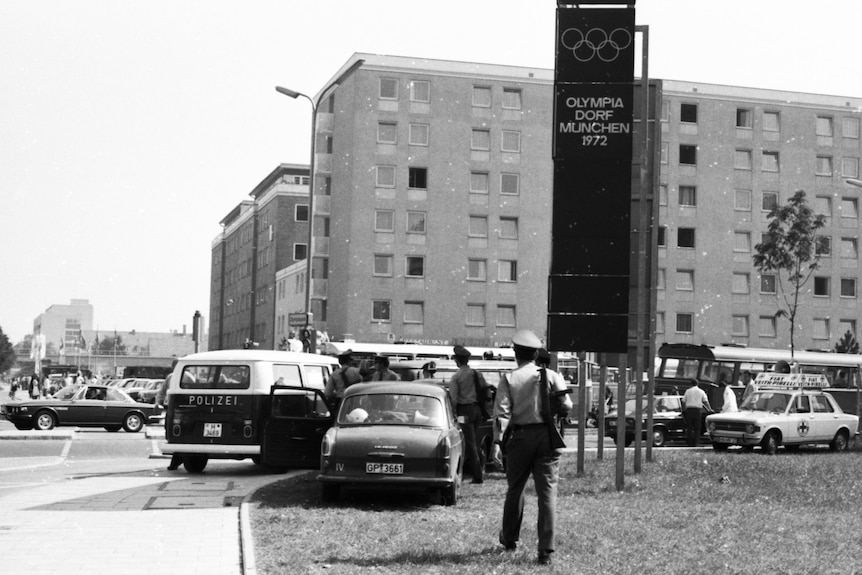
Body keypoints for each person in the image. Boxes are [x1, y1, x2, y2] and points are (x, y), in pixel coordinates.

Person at [494, 330, 572, 566]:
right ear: (537, 353)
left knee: (515, 489)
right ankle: (545, 550)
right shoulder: (551, 375)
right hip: (547, 437)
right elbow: (567, 404)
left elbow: (502, 414)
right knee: (547, 494)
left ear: (516, 354)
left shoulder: (509, 379)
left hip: (519, 438)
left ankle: (509, 540)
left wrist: (497, 443)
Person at [448, 345, 488, 484]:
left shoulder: (456, 377)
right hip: (477, 410)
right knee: (473, 441)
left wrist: (452, 413)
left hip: (464, 412)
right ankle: (476, 469)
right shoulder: (477, 374)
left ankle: (477, 475)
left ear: (457, 361)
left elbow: (453, 398)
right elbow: (485, 390)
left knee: (469, 443)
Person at [682, 379, 711, 447]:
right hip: (697, 411)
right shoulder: (701, 391)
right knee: (697, 428)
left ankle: (690, 443)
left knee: (689, 427)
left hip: (689, 410)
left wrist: (684, 411)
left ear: (691, 384)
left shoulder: (688, 391)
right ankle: (696, 443)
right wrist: (709, 409)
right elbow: (705, 401)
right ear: (697, 384)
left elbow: (683, 401)